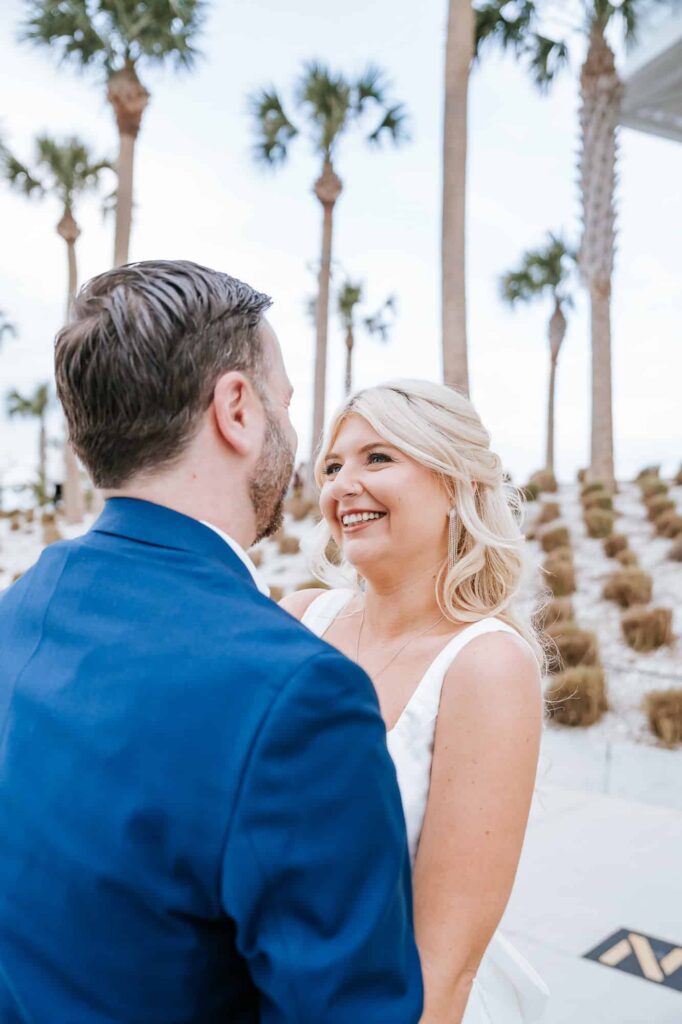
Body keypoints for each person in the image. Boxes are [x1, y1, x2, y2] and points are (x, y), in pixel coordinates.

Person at [0, 262, 423, 1023]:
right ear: (236, 407)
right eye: (285, 403)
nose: (293, 435)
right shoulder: (300, 696)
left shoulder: (20, 608)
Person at [281, 379, 549, 1024]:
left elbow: (444, 963)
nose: (344, 484)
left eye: (378, 458)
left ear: (455, 484)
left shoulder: (486, 667)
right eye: (333, 466)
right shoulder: (297, 620)